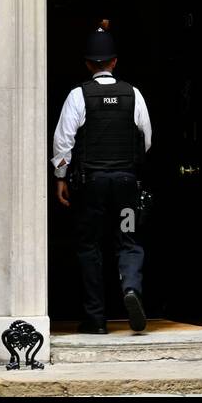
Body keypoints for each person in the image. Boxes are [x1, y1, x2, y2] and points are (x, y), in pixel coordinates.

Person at [52, 20, 153, 334]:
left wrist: (60, 177)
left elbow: (63, 142)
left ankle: (96, 319)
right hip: (125, 185)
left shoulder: (77, 95)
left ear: (87, 63)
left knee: (90, 246)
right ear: (114, 61)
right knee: (129, 241)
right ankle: (131, 289)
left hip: (91, 187)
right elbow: (146, 138)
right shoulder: (133, 94)